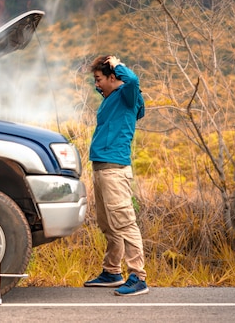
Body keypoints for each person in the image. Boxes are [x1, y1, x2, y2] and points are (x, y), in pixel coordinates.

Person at [83, 55, 148, 296]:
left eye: (99, 79)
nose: (96, 85)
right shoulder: (112, 99)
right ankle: (112, 272)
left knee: (124, 221)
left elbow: (132, 80)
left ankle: (138, 277)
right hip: (101, 168)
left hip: (114, 169)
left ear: (113, 77)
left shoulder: (127, 96)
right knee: (108, 223)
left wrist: (116, 63)